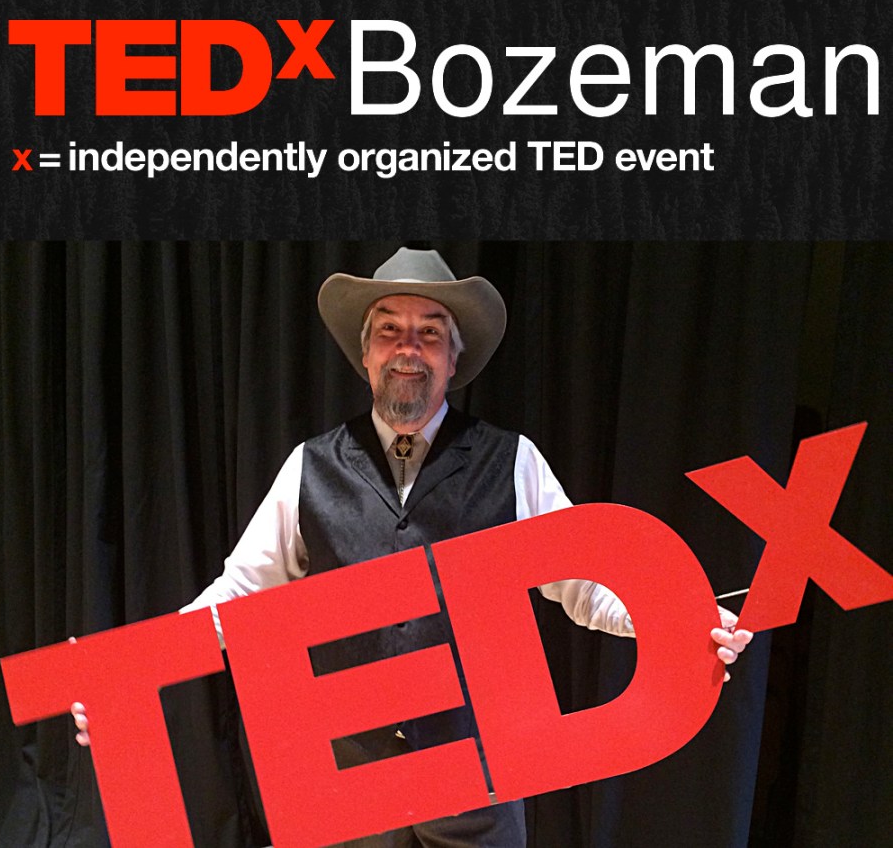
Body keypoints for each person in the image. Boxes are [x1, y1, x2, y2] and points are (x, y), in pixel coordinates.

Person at [73, 247, 751, 847]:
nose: (409, 348)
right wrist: (128, 673)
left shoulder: (513, 463)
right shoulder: (309, 467)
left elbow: (586, 588)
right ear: (365, 355)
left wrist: (682, 624)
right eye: (390, 330)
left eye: (430, 333)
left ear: (454, 360)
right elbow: (239, 594)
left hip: (479, 778)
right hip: (348, 784)